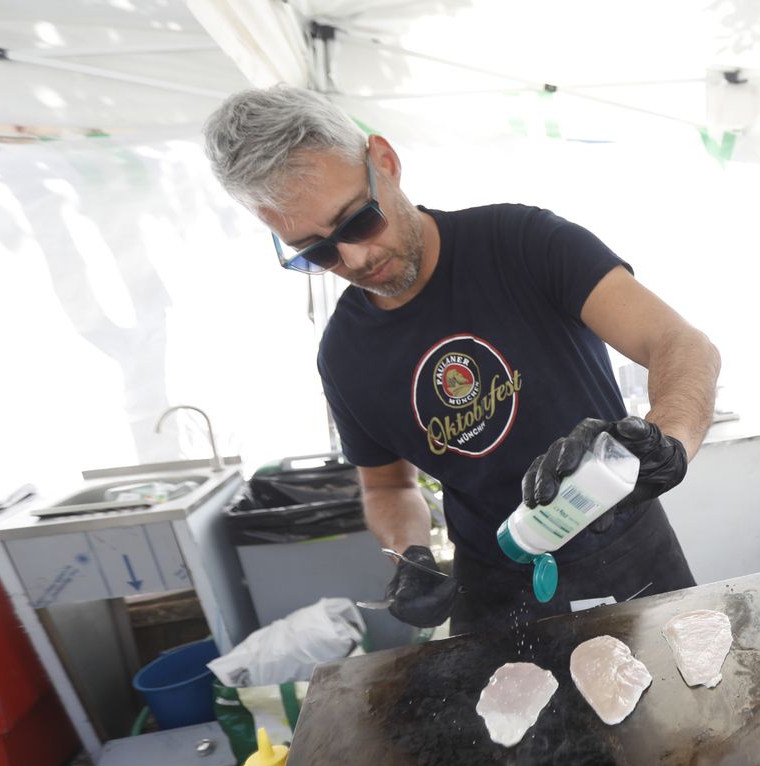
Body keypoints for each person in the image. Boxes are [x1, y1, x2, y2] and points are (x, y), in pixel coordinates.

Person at [202, 86, 720, 634]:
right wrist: (410, 554)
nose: (354, 258)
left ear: (385, 162)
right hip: (493, 584)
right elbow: (387, 487)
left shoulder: (523, 243)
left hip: (626, 548)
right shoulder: (345, 355)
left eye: (358, 221)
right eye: (317, 251)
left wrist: (667, 444)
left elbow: (681, 345)